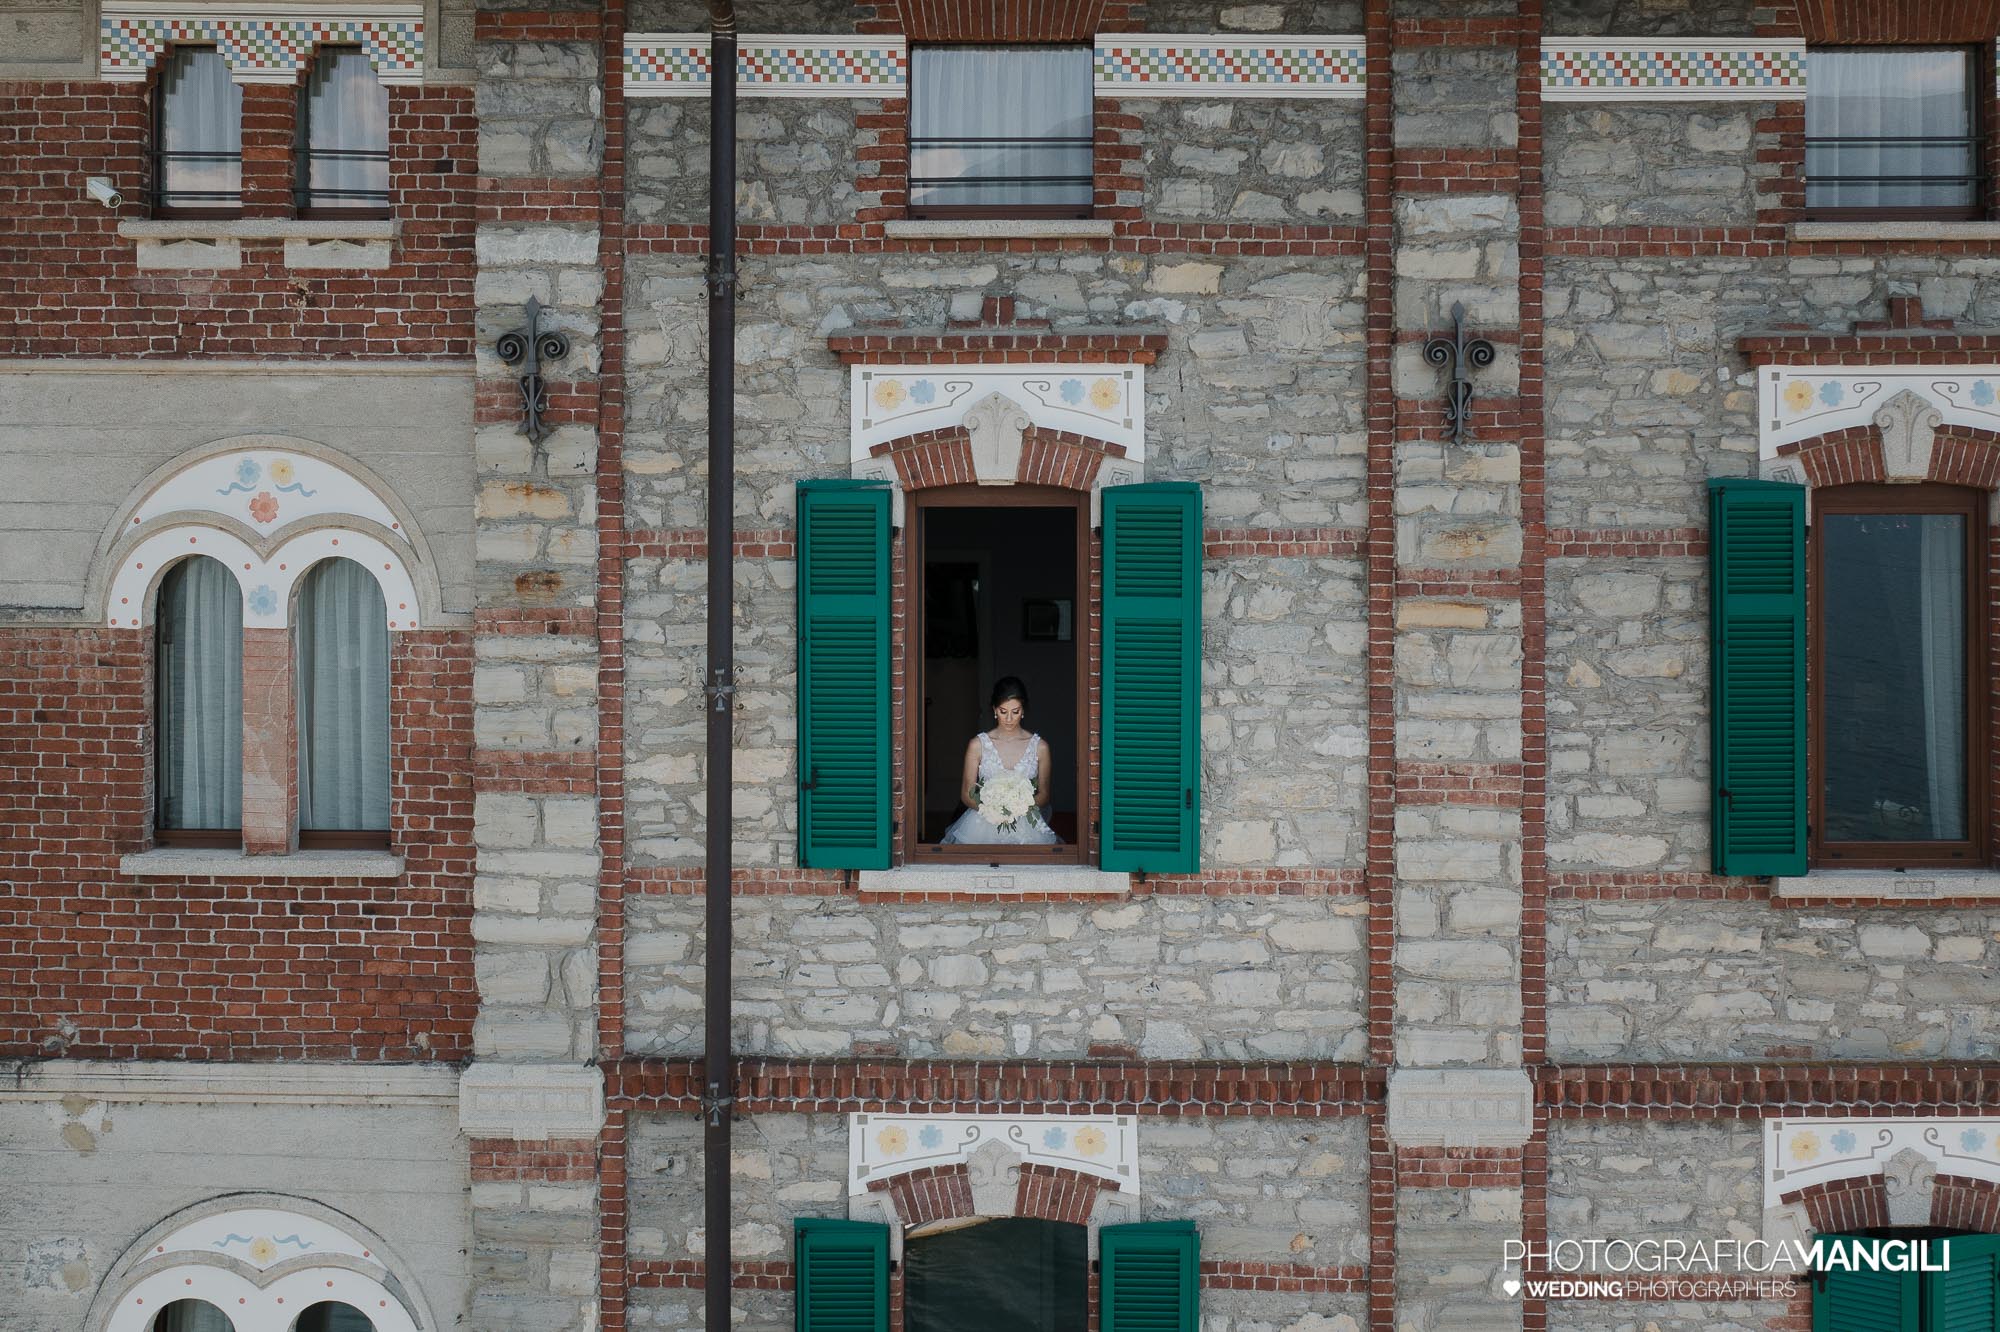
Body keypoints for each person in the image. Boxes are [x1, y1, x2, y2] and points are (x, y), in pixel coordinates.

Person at [939, 676, 1062, 845]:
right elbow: (967, 793)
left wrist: (1017, 808)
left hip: (1026, 826)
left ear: (1023, 710)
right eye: (1003, 711)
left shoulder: (1040, 747)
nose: (1009, 719)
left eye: (1015, 711)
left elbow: (1044, 795)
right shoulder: (978, 745)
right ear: (995, 710)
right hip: (981, 824)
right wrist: (993, 810)